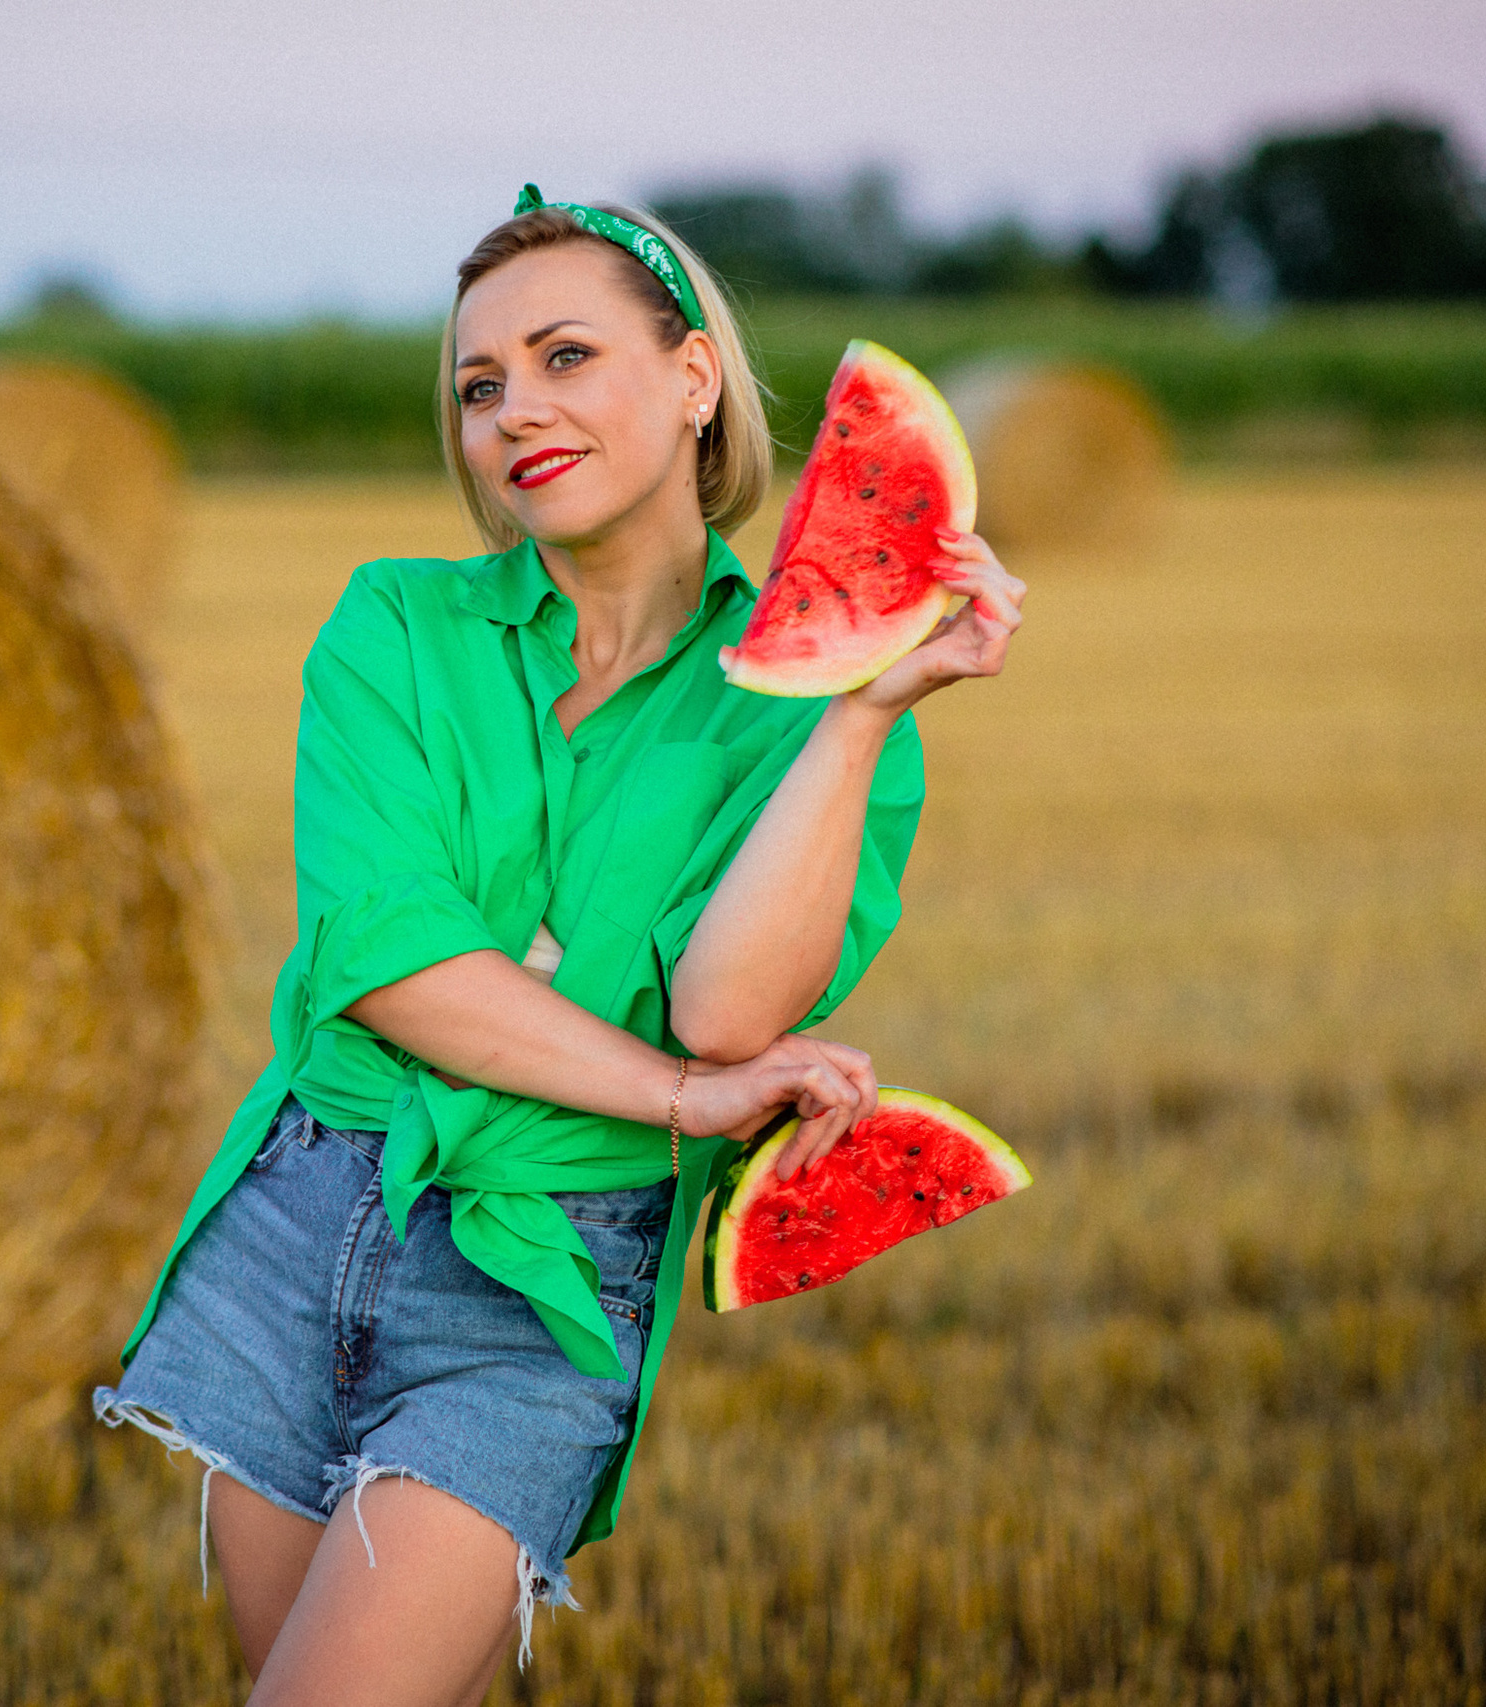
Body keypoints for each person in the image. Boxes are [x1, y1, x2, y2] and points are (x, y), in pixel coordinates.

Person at [94, 184, 1024, 1706]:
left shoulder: (814, 711)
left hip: (542, 1289)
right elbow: (395, 969)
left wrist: (860, 705)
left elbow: (725, 1010)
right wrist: (664, 1092)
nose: (516, 409)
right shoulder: (391, 627)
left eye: (566, 356)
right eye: (480, 385)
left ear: (692, 377)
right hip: (298, 1223)